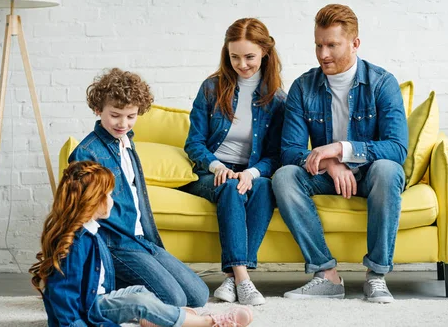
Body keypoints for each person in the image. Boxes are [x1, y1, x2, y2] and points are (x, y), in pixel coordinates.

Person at [272, 4, 408, 303]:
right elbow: (290, 151)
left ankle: (376, 276)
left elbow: (397, 148)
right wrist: (331, 162)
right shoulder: (303, 86)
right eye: (319, 45)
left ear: (355, 43)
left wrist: (342, 149)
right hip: (327, 176)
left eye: (332, 45)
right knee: (284, 176)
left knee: (388, 169)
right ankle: (326, 275)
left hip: (371, 176)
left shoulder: (382, 83)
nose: (323, 54)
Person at [30, 160, 254, 327]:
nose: (112, 201)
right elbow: (65, 307)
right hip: (89, 310)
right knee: (139, 301)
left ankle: (163, 317)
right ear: (90, 201)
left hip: (95, 301)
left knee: (139, 291)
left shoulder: (91, 232)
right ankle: (209, 322)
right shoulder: (76, 245)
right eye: (107, 195)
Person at [69, 68, 209, 307]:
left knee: (198, 295)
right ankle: (115, 295)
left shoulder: (127, 142)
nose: (123, 123)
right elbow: (82, 215)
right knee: (174, 299)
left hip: (141, 239)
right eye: (115, 115)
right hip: (115, 243)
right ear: (97, 110)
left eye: (131, 116)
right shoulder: (87, 153)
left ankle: (130, 283)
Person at [181, 18, 286, 306]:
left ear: (265, 51)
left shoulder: (277, 99)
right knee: (228, 187)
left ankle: (230, 280)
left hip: (250, 173)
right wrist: (216, 166)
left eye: (249, 56)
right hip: (211, 171)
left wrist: (252, 173)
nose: (242, 64)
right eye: (234, 57)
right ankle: (243, 278)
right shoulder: (211, 88)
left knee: (266, 188)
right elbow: (194, 143)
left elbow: (276, 155)